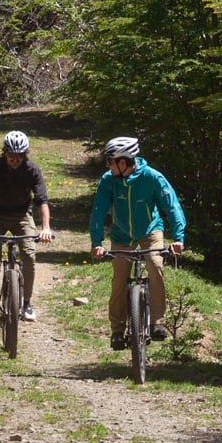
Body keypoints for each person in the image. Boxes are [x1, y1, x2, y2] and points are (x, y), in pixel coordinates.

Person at [87, 135, 186, 350]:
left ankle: (156, 322)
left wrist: (178, 238)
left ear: (123, 162)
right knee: (120, 277)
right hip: (122, 235)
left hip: (150, 232)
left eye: (110, 160)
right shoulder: (108, 180)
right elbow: (98, 212)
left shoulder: (152, 177)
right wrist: (96, 242)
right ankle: (117, 330)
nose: (107, 165)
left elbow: (173, 207)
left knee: (154, 263)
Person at [0, 129, 55, 324]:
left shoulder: (32, 170)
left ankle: (26, 303)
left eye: (19, 156)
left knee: (29, 254)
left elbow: (42, 200)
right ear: (4, 153)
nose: (15, 160)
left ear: (25, 155)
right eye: (11, 156)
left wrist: (45, 228)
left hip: (21, 216)